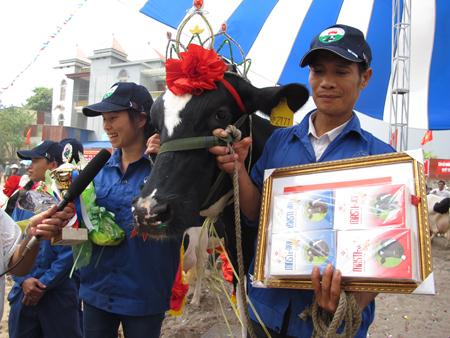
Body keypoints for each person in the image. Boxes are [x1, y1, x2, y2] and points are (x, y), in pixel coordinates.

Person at [210, 24, 395, 337]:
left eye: (341, 72)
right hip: (266, 312)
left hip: (329, 325)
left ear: (365, 78)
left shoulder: (382, 158)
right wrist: (239, 169)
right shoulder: (279, 142)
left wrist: (348, 303)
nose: (326, 83)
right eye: (318, 71)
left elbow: (388, 253)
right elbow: (255, 212)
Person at [80, 82, 180, 338]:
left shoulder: (168, 169)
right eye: (104, 119)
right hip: (96, 292)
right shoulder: (98, 171)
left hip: (144, 297)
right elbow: (83, 223)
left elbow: (180, 219)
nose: (106, 127)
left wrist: (163, 166)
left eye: (113, 118)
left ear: (141, 119)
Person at [8, 140, 82, 338]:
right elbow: (12, 242)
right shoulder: (24, 199)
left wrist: (44, 283)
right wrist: (23, 279)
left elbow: (72, 246)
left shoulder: (70, 201)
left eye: (35, 160)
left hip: (58, 295)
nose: (29, 166)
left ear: (52, 165)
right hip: (23, 294)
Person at [0, 203, 75, 319]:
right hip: (22, 292)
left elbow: (14, 262)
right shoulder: (23, 195)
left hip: (59, 291)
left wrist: (32, 235)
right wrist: (23, 281)